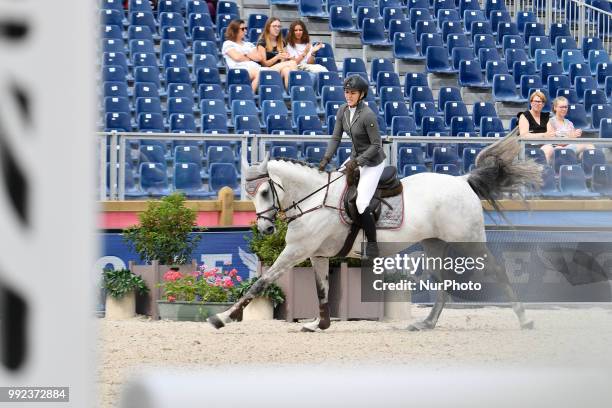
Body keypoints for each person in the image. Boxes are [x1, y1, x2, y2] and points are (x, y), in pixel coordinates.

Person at [318, 75, 386, 257]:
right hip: (354, 158)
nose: (349, 96)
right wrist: (326, 158)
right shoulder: (342, 111)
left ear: (362, 94)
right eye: (347, 92)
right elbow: (335, 137)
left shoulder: (367, 115)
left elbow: (376, 145)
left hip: (372, 162)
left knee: (361, 202)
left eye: (353, 93)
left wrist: (357, 162)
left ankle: (372, 245)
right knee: (333, 187)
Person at [542, 96, 594, 163]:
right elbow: (554, 142)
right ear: (555, 107)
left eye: (565, 107)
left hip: (570, 147)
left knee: (589, 146)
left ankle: (588, 168)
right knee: (559, 149)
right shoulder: (550, 122)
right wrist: (571, 137)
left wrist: (576, 135)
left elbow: (573, 141)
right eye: (561, 107)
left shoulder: (569, 123)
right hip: (556, 148)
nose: (564, 109)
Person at [256, 18, 298, 91]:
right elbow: (264, 64)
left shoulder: (282, 42)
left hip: (279, 69)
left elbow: (283, 62)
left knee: (287, 70)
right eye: (274, 26)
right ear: (268, 27)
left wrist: (286, 58)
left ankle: (290, 93)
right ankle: (296, 91)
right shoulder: (262, 42)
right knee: (293, 63)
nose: (277, 28)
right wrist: (277, 57)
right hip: (267, 70)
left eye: (279, 26)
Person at [221, 19, 262, 93]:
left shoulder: (249, 44)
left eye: (246, 28)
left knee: (272, 72)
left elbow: (258, 58)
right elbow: (237, 57)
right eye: (243, 29)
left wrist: (245, 54)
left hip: (254, 67)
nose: (245, 31)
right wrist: (250, 57)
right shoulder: (228, 43)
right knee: (260, 73)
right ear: (235, 30)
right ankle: (250, 96)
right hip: (238, 70)